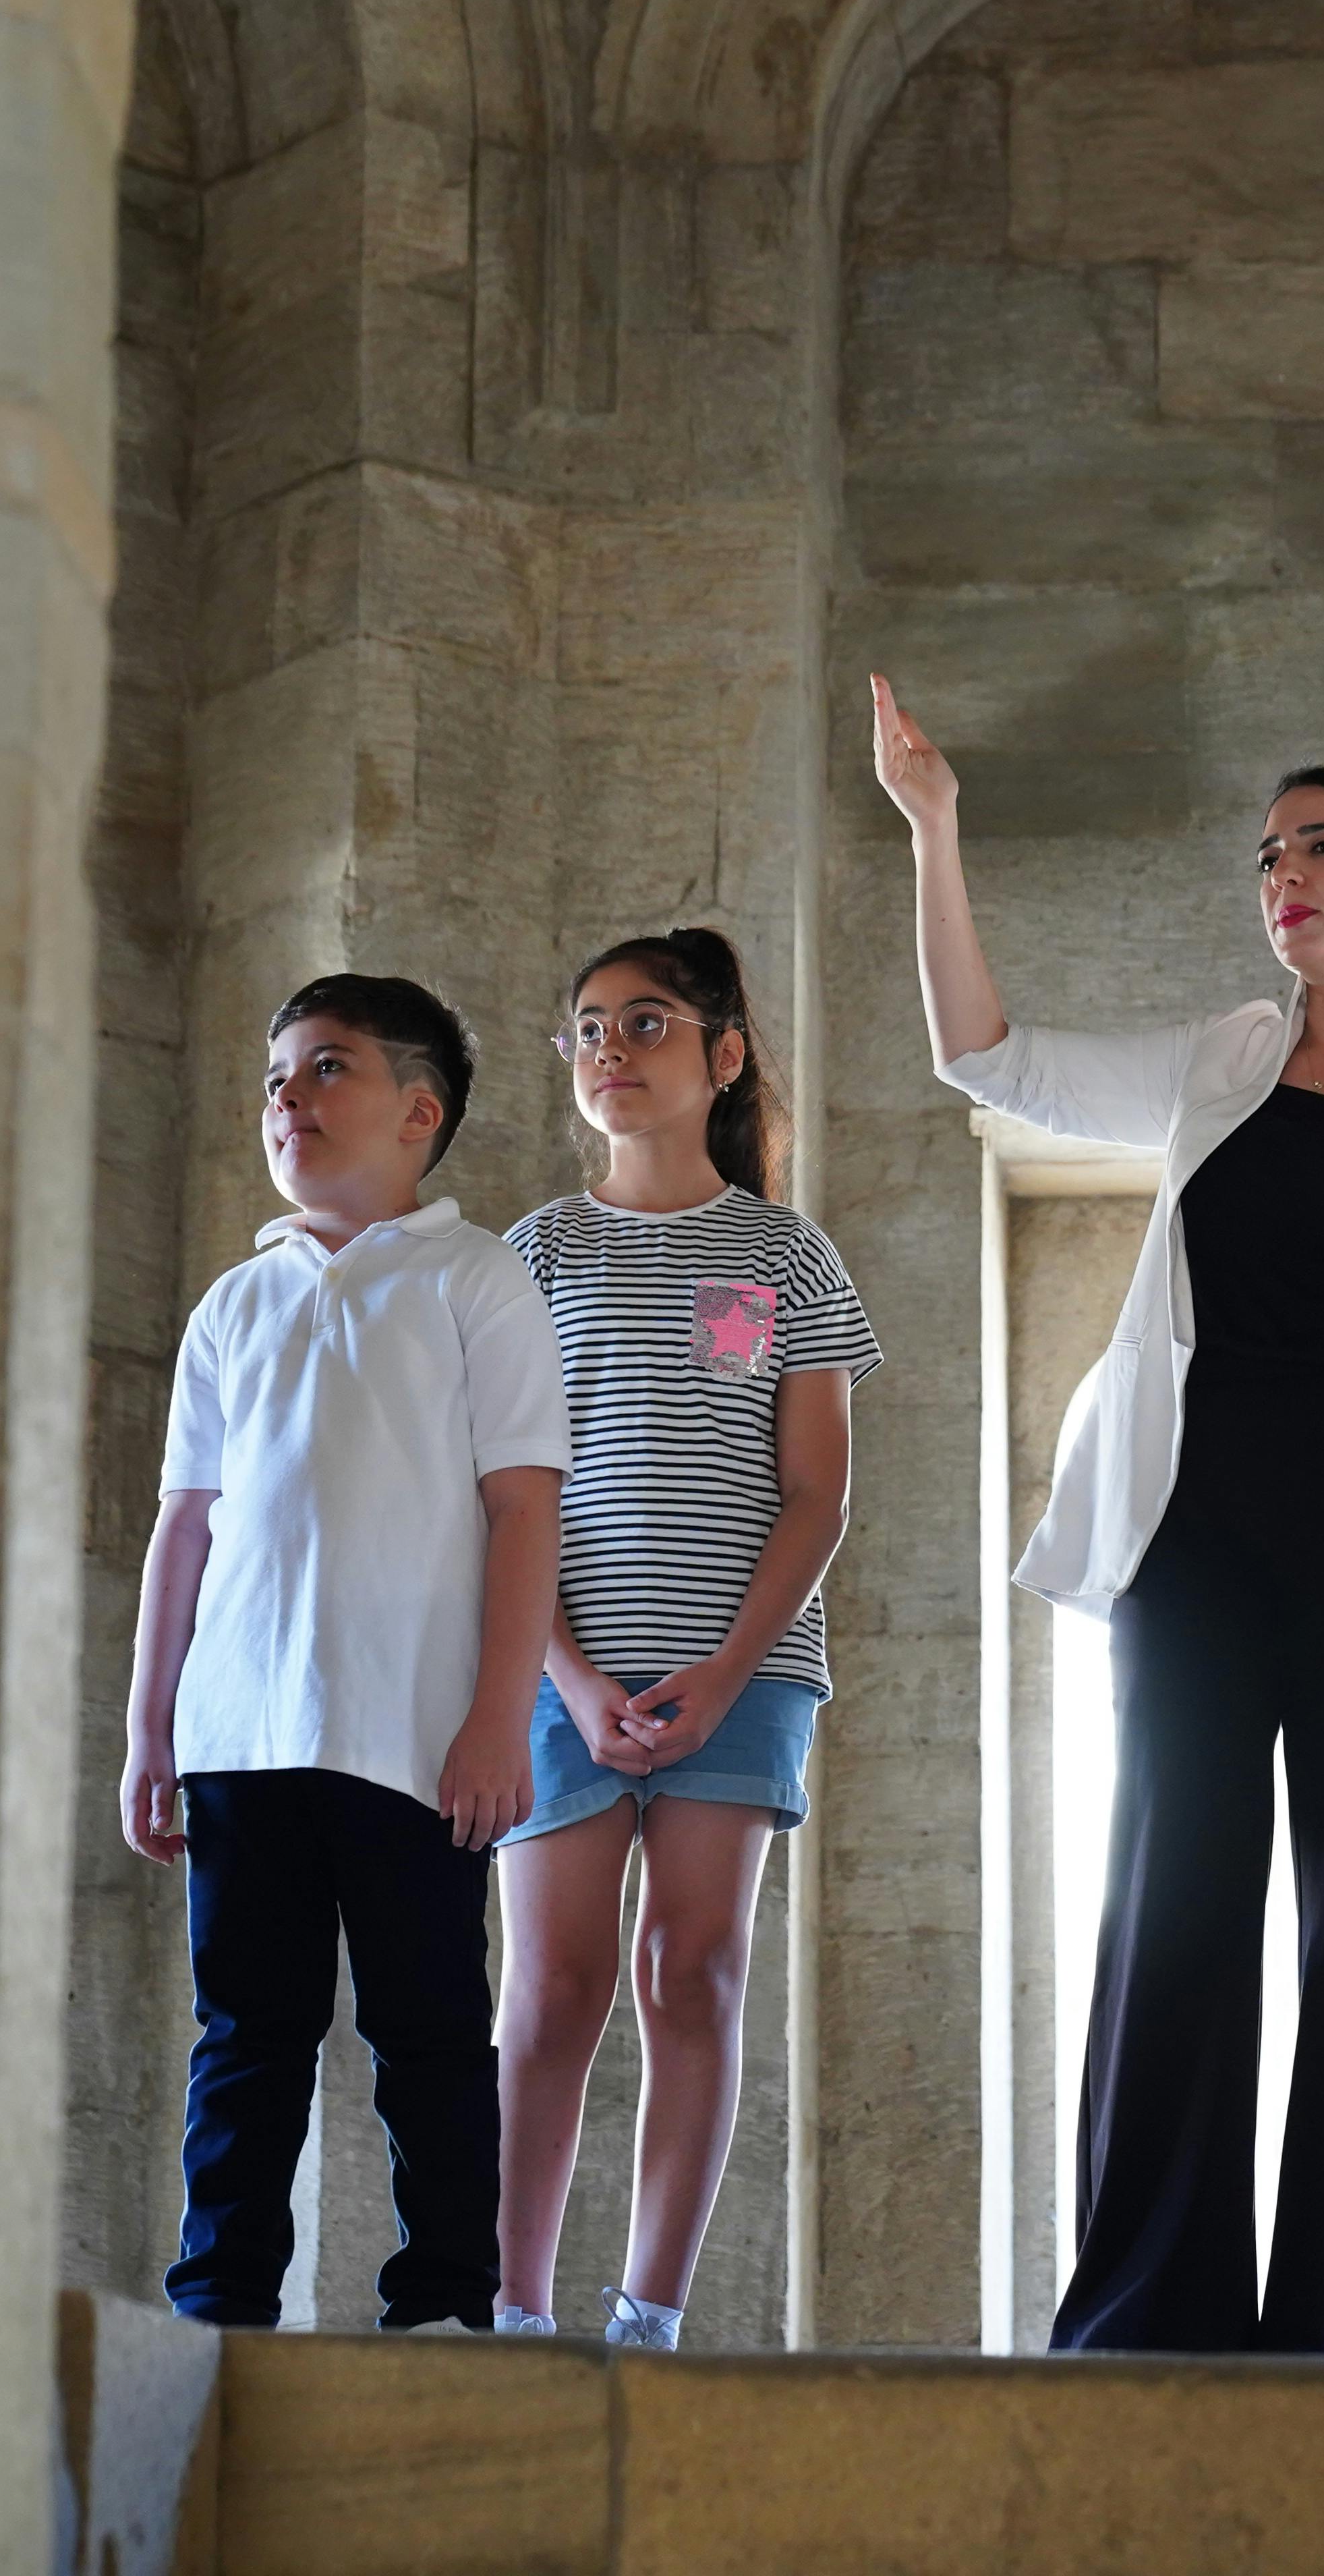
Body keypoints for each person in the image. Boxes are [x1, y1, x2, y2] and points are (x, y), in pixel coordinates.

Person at [867, 674, 1324, 2357]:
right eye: (1266, 856)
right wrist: (935, 829)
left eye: (1322, 845)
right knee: (1172, 1901)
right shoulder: (1217, 1059)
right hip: (1186, 1532)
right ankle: (1145, 2310)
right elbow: (987, 1053)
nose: (1285, 875)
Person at [119, 974, 568, 2330]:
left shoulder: (476, 1277)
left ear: (418, 1112)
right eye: (276, 1076)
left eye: (328, 1069)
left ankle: (443, 2300)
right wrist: (152, 1730)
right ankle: (220, 2303)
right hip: (240, 1736)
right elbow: (184, 1532)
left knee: (429, 2033)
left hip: (415, 1739)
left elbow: (525, 1508)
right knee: (245, 2036)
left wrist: (501, 1718)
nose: (288, 1098)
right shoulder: (232, 1304)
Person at [490, 929, 878, 2352]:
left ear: (721, 1055)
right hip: (557, 1679)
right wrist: (573, 1680)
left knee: (693, 1969)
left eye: (644, 1023)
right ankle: (517, 2302)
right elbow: (506, 1496)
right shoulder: (534, 1249)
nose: (610, 1049)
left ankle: (649, 2308)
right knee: (551, 1988)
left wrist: (722, 1673)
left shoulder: (788, 1253)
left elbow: (820, 1492)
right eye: (587, 1025)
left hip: (747, 1677)